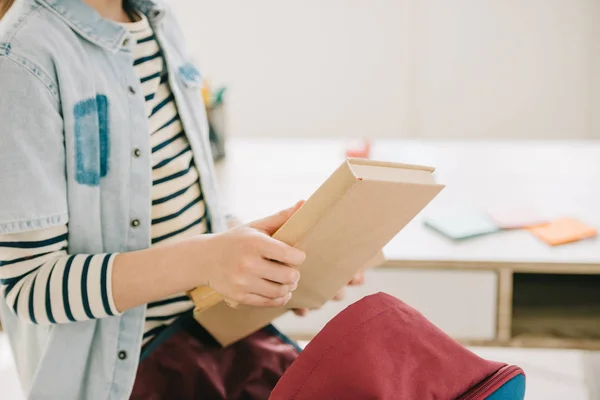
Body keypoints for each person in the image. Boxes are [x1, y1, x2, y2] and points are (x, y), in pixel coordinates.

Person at [0, 0, 364, 398]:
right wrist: (207, 260)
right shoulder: (21, 56)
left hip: (207, 345)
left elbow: (189, 207)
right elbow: (30, 286)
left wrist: (267, 263)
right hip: (121, 380)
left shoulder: (158, 20)